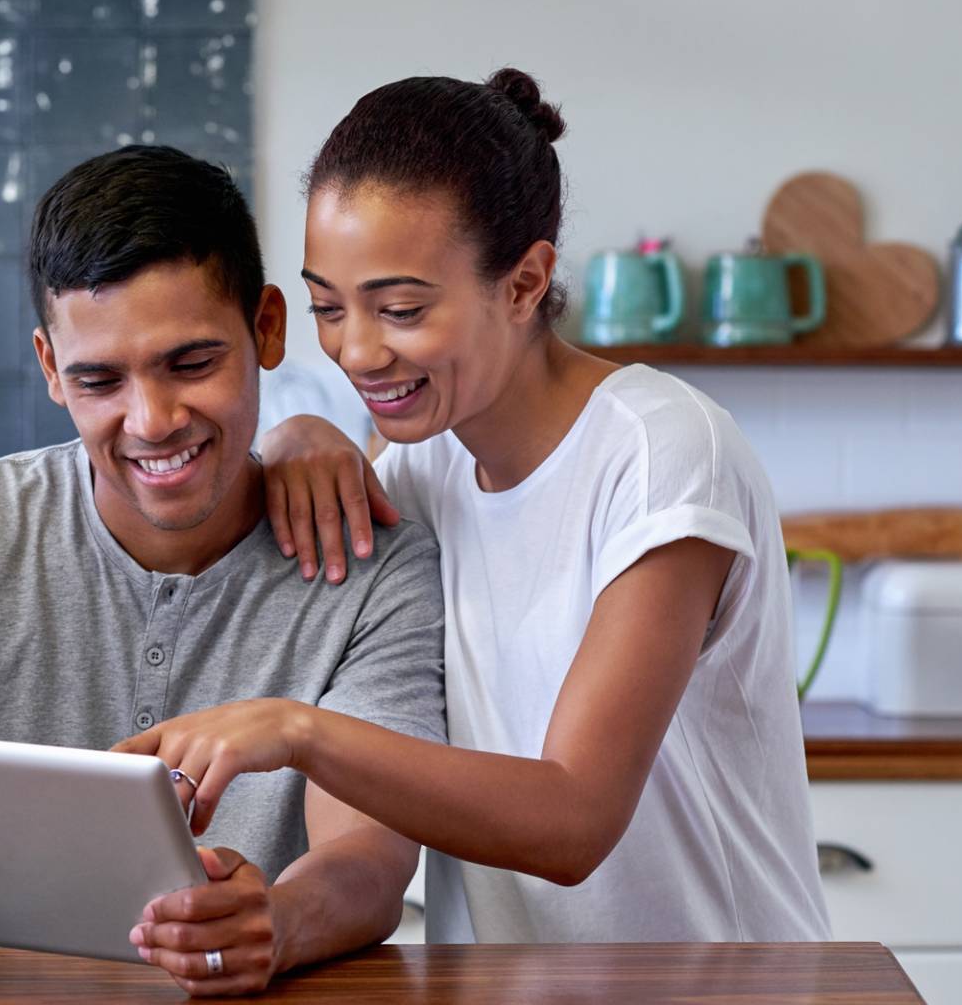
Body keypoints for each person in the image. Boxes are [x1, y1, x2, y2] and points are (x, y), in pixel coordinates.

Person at [117, 70, 831, 944]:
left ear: (526, 282)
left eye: (403, 308)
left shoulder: (662, 455)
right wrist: (300, 432)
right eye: (328, 308)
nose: (359, 350)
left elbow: (573, 820)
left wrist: (299, 731)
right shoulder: (422, 462)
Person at [0, 145, 447, 994]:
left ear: (267, 328)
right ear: (51, 368)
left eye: (192, 364)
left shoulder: (374, 565)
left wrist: (274, 923)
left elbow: (368, 860)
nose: (153, 420)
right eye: (99, 379)